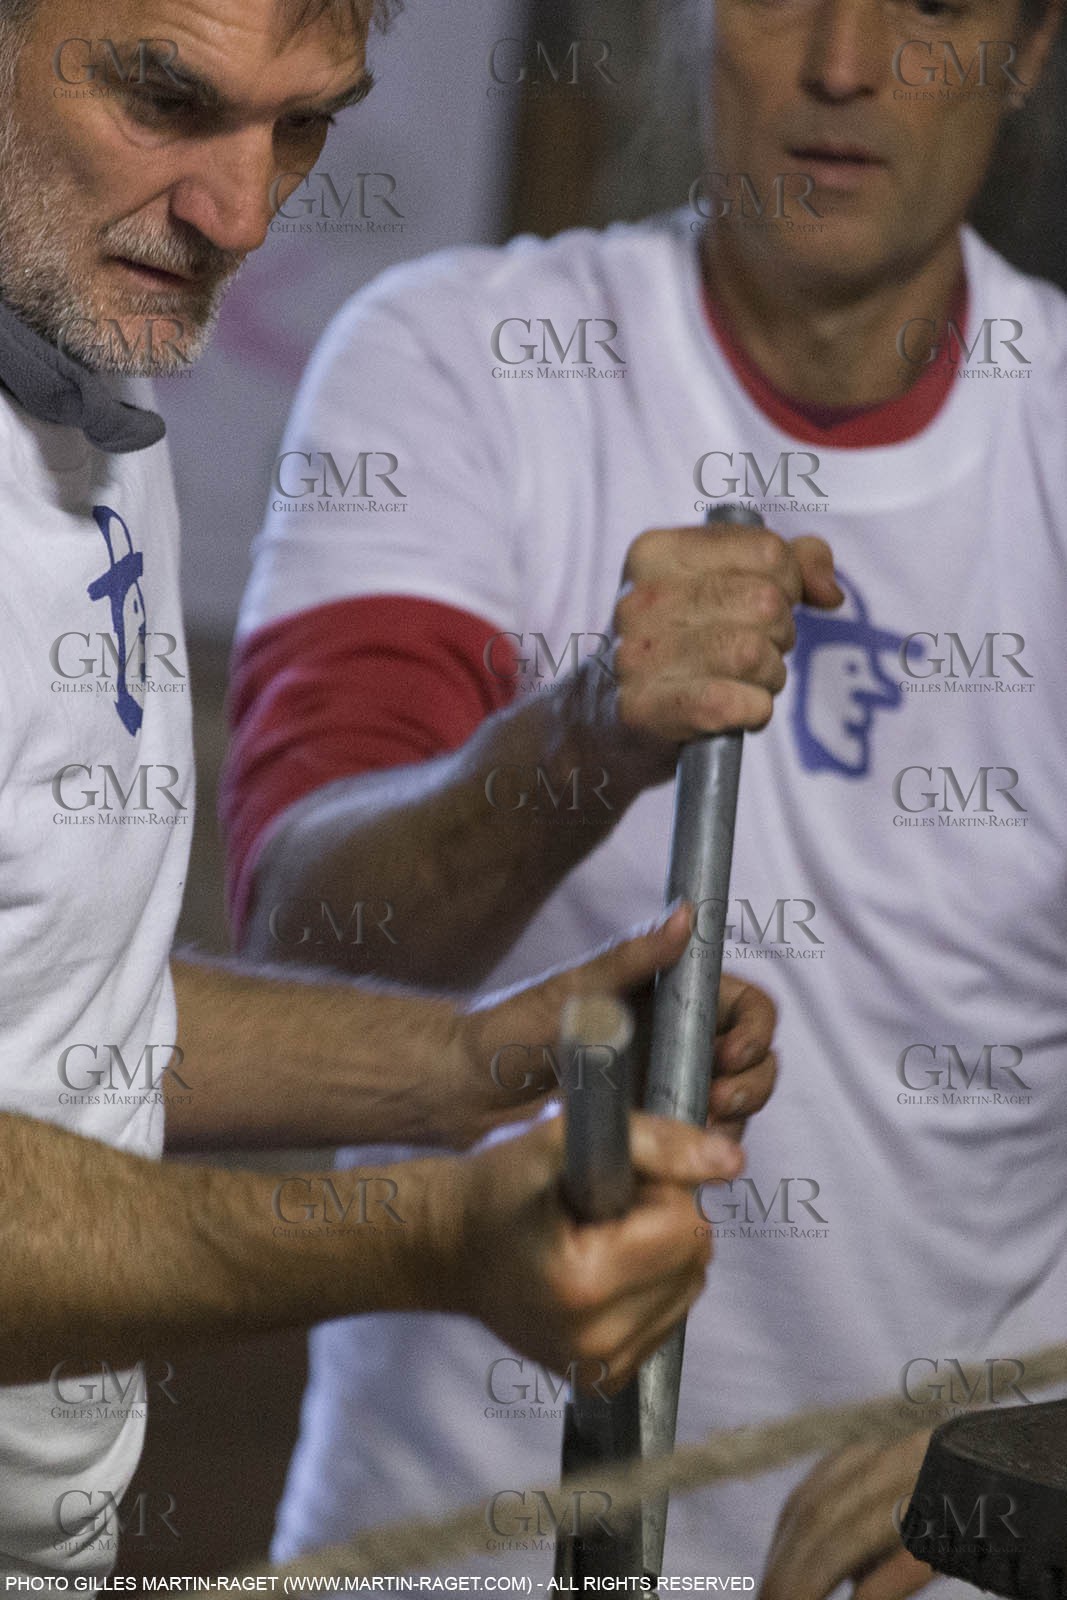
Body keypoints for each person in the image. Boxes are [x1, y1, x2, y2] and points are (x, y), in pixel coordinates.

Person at [224, 0, 1067, 1592]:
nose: (842, 61)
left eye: (934, 8)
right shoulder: (454, 360)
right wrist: (588, 731)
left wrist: (1015, 1445)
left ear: (1030, 52)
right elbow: (298, 941)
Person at [0, 0, 781, 1580]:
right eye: (166, 98)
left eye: (305, 126)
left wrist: (485, 1063)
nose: (238, 214)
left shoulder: (89, 367)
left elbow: (51, 1014)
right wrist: (425, 1238)